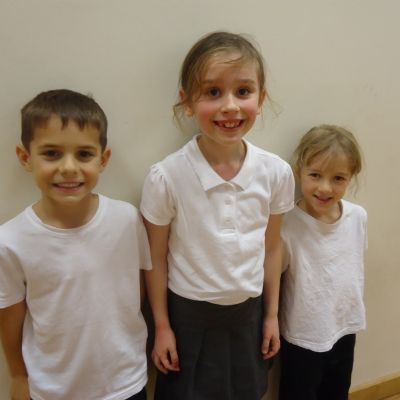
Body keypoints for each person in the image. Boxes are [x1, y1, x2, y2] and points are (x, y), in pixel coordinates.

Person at [140, 31, 295, 400]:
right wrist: (162, 326)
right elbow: (155, 258)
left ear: (261, 97)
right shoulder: (167, 177)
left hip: (249, 313)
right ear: (187, 101)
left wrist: (271, 315)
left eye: (243, 91)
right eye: (212, 92)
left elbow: (272, 248)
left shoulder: (275, 173)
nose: (230, 106)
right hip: (187, 316)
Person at [0, 89, 151, 400]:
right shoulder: (11, 240)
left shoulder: (126, 220)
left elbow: (136, 292)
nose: (69, 167)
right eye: (51, 153)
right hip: (54, 390)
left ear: (103, 159)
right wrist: (17, 375)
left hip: (125, 383)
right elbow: (10, 318)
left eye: (84, 154)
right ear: (25, 157)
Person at [278, 125, 367, 400]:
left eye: (338, 178)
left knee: (337, 391)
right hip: (302, 335)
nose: (325, 188)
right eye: (315, 175)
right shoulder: (286, 223)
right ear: (299, 170)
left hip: (344, 327)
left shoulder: (357, 217)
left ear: (351, 177)